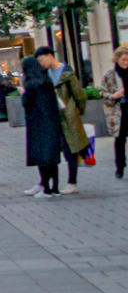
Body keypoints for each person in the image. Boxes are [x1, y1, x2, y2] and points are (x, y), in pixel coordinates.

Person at [22, 53, 67, 197]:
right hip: (52, 122)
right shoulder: (47, 82)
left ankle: (46, 189)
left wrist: (22, 94)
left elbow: (27, 104)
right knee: (52, 157)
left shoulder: (30, 85)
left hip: (37, 124)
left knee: (42, 157)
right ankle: (55, 189)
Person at [51, 47, 89, 194]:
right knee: (67, 149)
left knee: (70, 150)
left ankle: (72, 182)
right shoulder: (47, 73)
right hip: (56, 118)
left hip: (68, 116)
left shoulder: (66, 73)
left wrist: (77, 112)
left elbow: (79, 95)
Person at [104, 44, 128, 180]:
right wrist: (114, 96)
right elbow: (103, 92)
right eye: (123, 59)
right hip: (119, 112)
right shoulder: (111, 75)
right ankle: (120, 167)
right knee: (120, 140)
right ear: (117, 59)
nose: (126, 62)